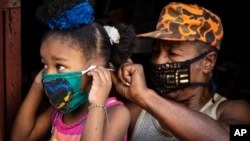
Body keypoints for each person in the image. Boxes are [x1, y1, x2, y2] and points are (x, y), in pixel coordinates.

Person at [112, 2, 250, 141]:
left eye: (173, 53)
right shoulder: (135, 113)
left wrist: (146, 96)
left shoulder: (235, 110)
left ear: (208, 62)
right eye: (155, 51)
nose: (159, 61)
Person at [11, 0, 138, 140]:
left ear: (95, 72)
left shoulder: (116, 113)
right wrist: (36, 85)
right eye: (45, 65)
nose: (48, 75)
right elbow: (20, 138)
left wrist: (97, 104)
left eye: (59, 66)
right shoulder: (59, 111)